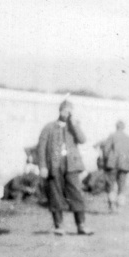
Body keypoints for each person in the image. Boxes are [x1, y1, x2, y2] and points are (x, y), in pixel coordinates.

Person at [36, 98, 93, 235]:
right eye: (65, 111)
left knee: (76, 194)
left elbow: (82, 140)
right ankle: (59, 226)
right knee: (55, 194)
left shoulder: (73, 127)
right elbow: (41, 148)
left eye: (70, 111)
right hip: (54, 165)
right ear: (60, 111)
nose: (67, 114)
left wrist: (74, 124)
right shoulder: (49, 127)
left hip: (72, 165)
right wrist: (43, 166)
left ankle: (81, 225)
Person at [101, 120, 129, 212]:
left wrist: (106, 161)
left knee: (110, 185)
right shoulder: (128, 138)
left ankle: (112, 205)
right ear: (124, 127)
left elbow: (106, 150)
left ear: (116, 126)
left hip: (112, 164)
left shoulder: (112, 136)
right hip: (124, 165)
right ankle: (120, 206)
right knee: (122, 185)